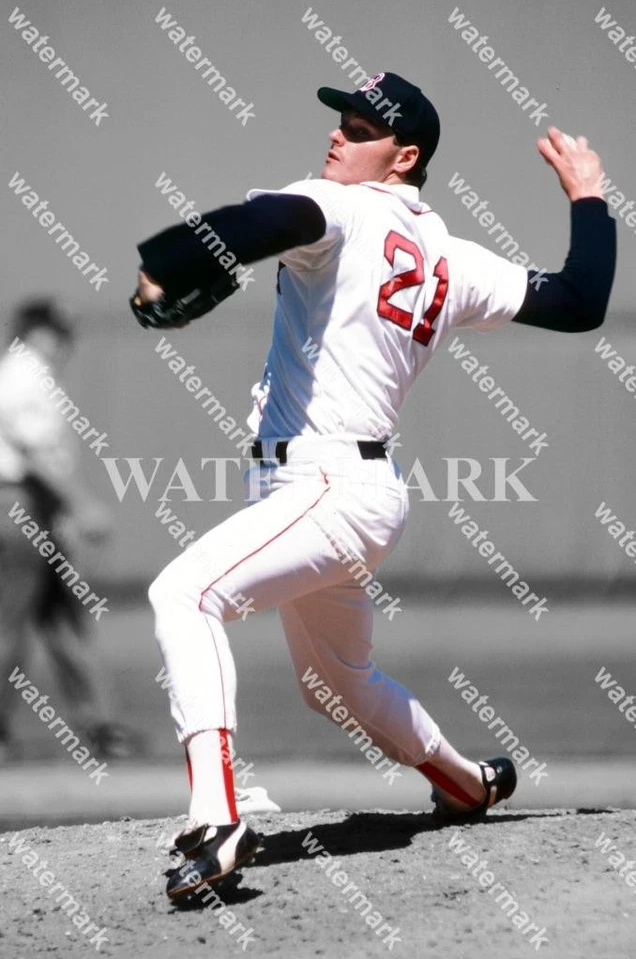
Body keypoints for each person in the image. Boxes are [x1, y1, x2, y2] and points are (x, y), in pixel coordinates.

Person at [132, 72, 616, 900]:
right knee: (336, 684)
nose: (338, 136)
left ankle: (215, 822)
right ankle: (466, 781)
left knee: (183, 595)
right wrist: (589, 199)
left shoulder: (340, 207)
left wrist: (159, 267)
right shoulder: (450, 255)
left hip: (324, 486)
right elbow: (579, 300)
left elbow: (264, 222)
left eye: (362, 129)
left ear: (405, 157)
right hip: (345, 491)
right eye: (341, 120)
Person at [0, 300, 138, 761]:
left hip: (33, 505)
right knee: (8, 626)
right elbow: (32, 452)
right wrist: (81, 505)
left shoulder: (26, 372)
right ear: (38, 333)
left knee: (62, 622)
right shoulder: (24, 374)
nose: (66, 344)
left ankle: (102, 727)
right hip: (18, 502)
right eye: (59, 334)